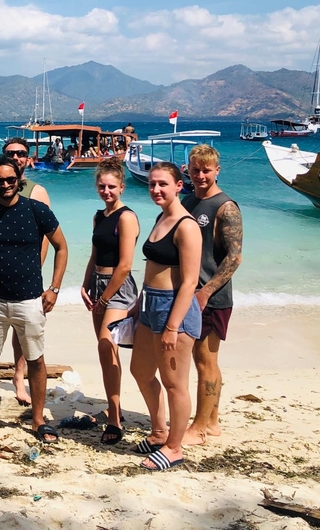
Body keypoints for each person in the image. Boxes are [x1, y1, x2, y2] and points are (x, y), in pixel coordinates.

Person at [0, 85, 52, 408]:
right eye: (10, 153)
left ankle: (19, 376)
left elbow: (47, 238)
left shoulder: (37, 193)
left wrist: (36, 275)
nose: (15, 157)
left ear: (27, 160)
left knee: (25, 338)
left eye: (20, 154)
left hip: (26, 281)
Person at [0, 155, 68, 442]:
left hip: (29, 299)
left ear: (19, 180)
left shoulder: (37, 210)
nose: (5, 185)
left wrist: (54, 288)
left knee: (35, 359)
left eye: (10, 180)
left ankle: (38, 420)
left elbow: (62, 247)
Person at [130, 162, 202, 471]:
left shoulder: (186, 226)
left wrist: (173, 326)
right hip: (150, 303)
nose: (156, 189)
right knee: (141, 370)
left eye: (163, 184)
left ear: (178, 186)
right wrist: (138, 304)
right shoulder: (162, 217)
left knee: (175, 384)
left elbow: (189, 281)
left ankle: (174, 447)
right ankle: (159, 431)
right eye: (152, 184)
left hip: (174, 309)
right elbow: (153, 268)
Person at [180, 145, 243, 446]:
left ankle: (199, 427)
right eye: (196, 169)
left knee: (206, 360)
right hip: (190, 293)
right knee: (204, 359)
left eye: (206, 170)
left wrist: (205, 292)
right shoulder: (189, 200)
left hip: (211, 297)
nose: (201, 175)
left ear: (217, 170)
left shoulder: (225, 207)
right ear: (188, 170)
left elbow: (234, 257)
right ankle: (213, 421)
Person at [75, 159, 140, 445]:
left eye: (112, 186)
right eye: (102, 186)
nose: (106, 191)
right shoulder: (99, 216)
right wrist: (85, 284)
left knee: (106, 344)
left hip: (118, 288)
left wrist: (104, 298)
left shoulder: (127, 217)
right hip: (98, 284)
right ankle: (115, 407)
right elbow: (94, 254)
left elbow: (125, 265)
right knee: (105, 352)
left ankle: (114, 418)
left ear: (122, 187)